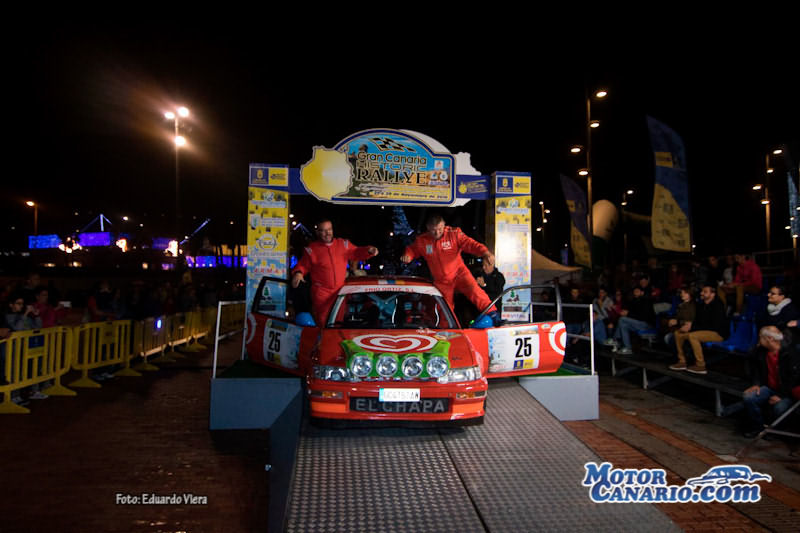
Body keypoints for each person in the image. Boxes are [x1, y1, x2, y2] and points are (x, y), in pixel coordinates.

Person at [401, 214, 497, 318]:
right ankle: (445, 326)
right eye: (433, 230)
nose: (437, 233)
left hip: (459, 273)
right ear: (428, 228)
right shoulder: (422, 240)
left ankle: (493, 315)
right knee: (444, 308)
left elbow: (470, 244)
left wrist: (485, 252)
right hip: (442, 280)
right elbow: (412, 249)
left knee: (475, 291)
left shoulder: (454, 234)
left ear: (444, 225)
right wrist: (408, 255)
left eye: (440, 229)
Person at [291, 219, 378, 326]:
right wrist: (298, 273)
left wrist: (369, 250)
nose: (327, 233)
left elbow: (356, 252)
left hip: (340, 292)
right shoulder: (311, 249)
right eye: (323, 230)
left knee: (338, 322)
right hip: (322, 294)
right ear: (317, 232)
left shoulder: (343, 244)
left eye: (329, 229)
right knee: (324, 323)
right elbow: (303, 265)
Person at [741, 326, 800, 438]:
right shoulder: (760, 351)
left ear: (770, 339)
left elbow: (794, 378)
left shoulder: (790, 353)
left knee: (780, 407)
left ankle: (775, 432)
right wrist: (756, 384)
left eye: (761, 337)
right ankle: (758, 428)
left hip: (787, 391)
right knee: (749, 398)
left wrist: (781, 395)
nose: (759, 340)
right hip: (769, 387)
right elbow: (755, 368)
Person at [670, 284, 728, 375]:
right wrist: (689, 326)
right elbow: (698, 322)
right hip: (704, 331)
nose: (702, 293)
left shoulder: (718, 305)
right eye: (702, 291)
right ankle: (682, 362)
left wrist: (692, 327)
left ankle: (700, 365)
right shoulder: (702, 305)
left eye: (705, 292)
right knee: (678, 334)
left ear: (713, 294)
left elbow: (714, 326)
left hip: (718, 333)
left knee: (692, 336)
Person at [609, 286, 655, 355]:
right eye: (634, 291)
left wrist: (628, 314)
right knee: (623, 325)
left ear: (642, 292)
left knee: (622, 319)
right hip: (637, 324)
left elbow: (643, 317)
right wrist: (625, 313)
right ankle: (628, 348)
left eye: (637, 291)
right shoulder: (633, 301)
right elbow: (631, 314)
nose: (635, 293)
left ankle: (615, 339)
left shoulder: (647, 301)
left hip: (646, 324)